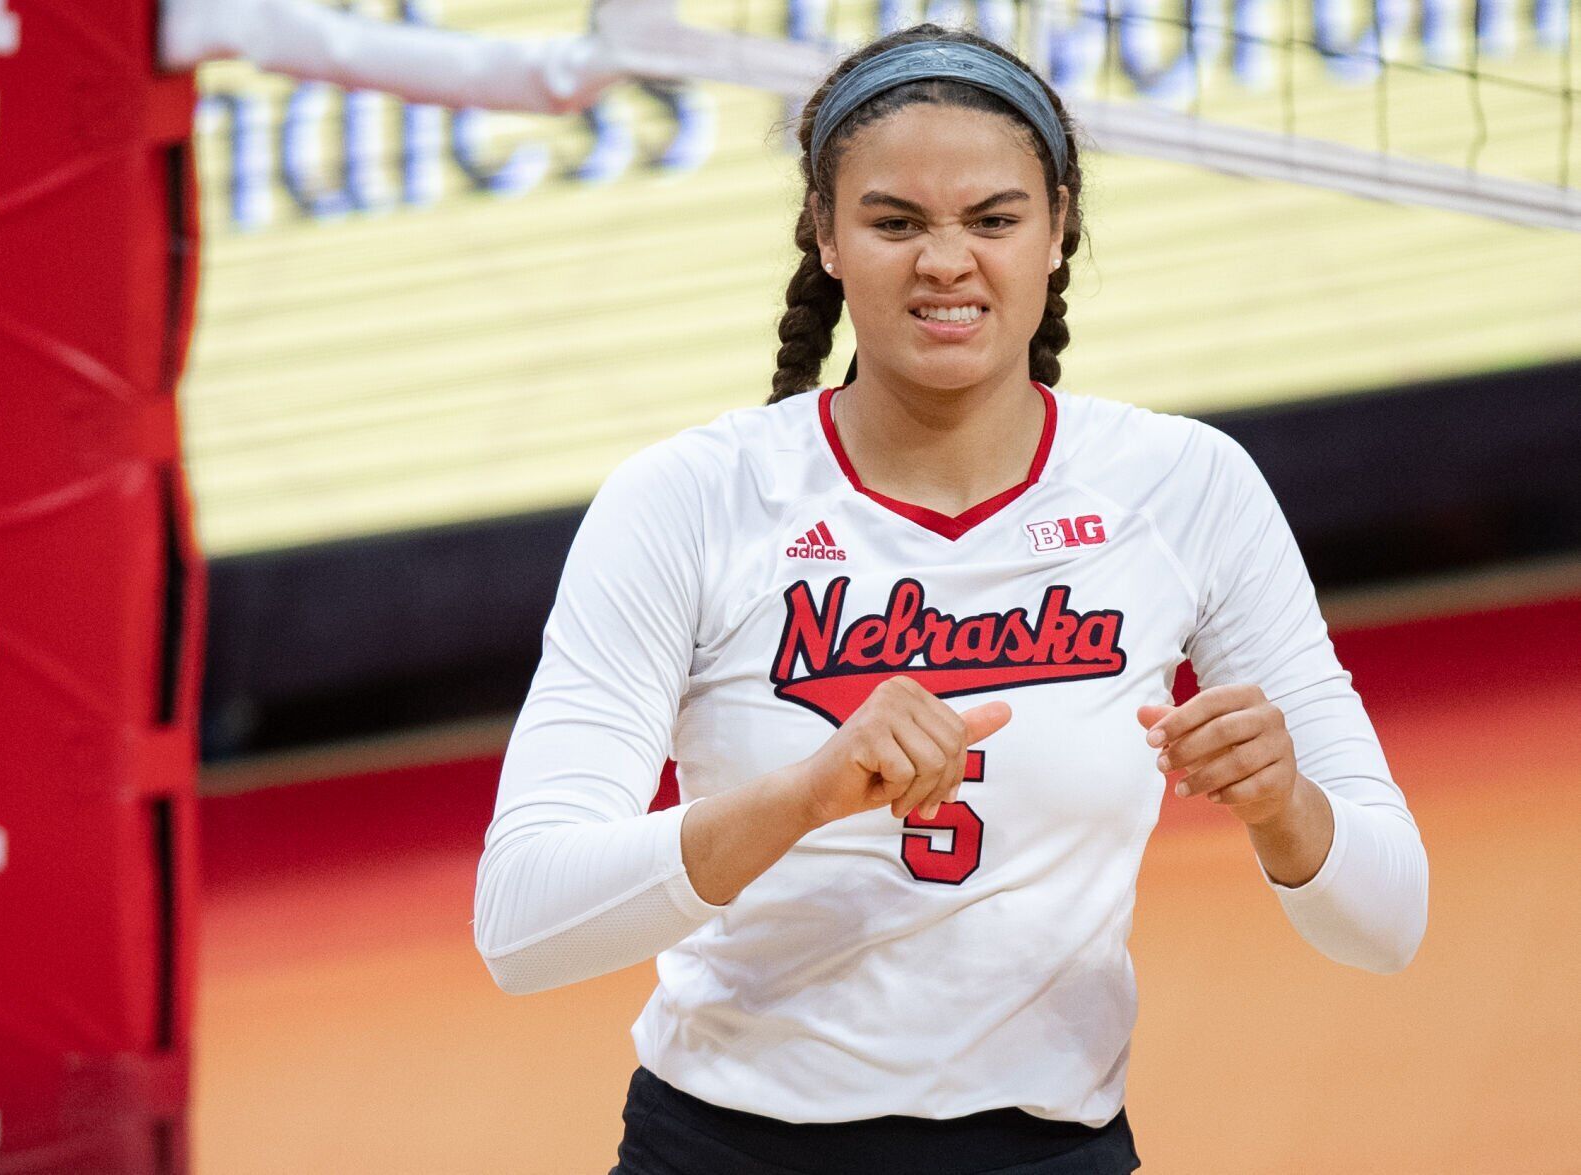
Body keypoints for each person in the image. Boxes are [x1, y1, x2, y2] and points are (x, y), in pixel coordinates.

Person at [473, 22, 1429, 1175]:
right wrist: (810, 791)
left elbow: (1386, 923)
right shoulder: (688, 498)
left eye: (992, 219)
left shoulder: (1183, 487)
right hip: (722, 1148)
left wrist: (1287, 810)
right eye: (893, 222)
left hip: (1047, 1151)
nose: (945, 262)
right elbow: (520, 927)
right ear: (823, 234)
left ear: (1057, 226)